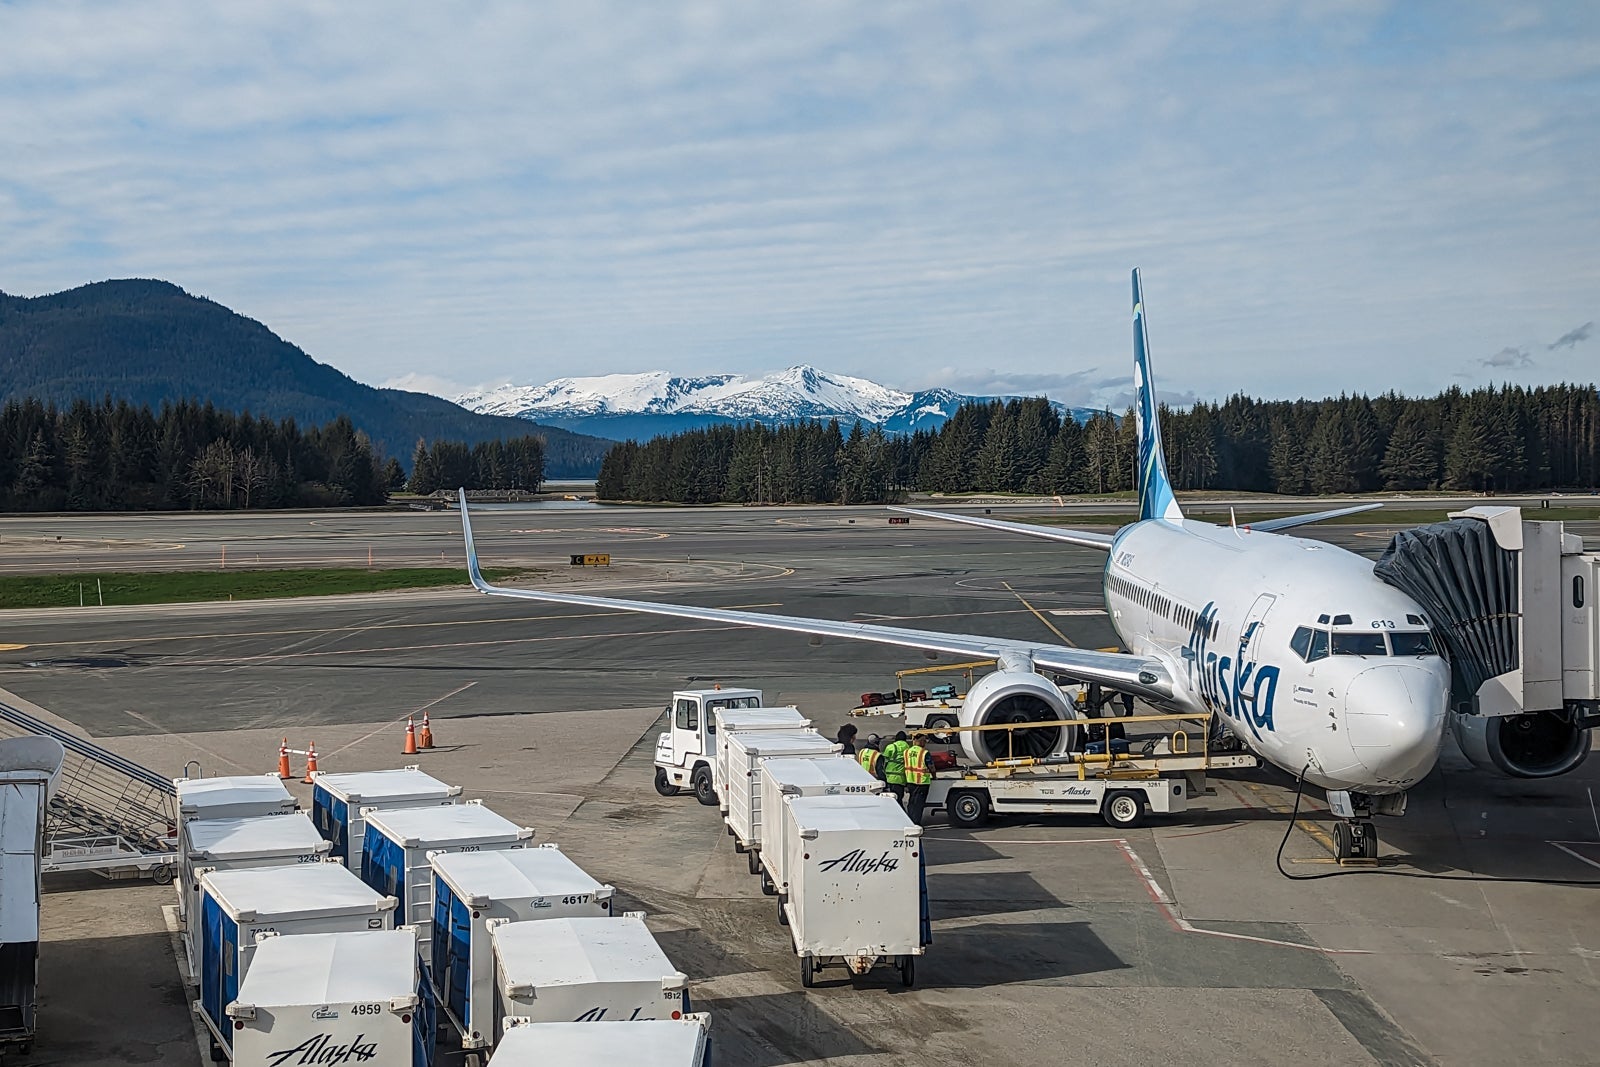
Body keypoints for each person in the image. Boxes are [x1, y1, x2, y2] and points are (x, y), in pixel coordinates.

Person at [901, 735, 932, 825]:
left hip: (910, 780)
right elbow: (931, 766)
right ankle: (916, 823)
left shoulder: (907, 752)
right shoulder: (924, 753)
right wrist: (934, 775)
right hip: (921, 782)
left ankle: (910, 819)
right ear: (919, 741)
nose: (924, 743)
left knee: (912, 802)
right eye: (923, 741)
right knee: (918, 804)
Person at [881, 730, 910, 802]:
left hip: (889, 777)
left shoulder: (891, 747)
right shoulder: (908, 748)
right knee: (899, 797)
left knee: (893, 799)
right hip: (901, 778)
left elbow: (884, 760)